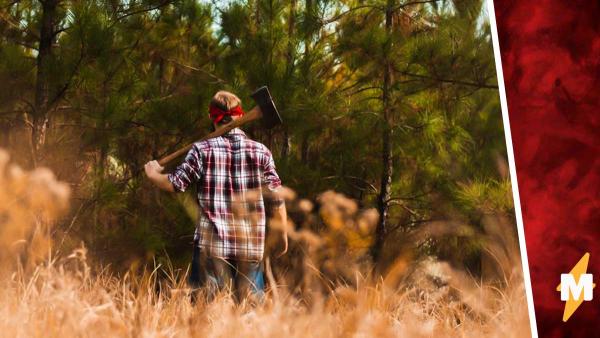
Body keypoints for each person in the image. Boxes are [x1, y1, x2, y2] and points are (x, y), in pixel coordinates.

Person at [144, 90, 288, 302]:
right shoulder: (261, 152)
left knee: (204, 319)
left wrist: (153, 174)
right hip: (250, 249)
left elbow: (174, 184)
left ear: (212, 117)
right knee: (250, 321)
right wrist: (282, 234)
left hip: (211, 251)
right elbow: (277, 197)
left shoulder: (201, 150)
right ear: (240, 115)